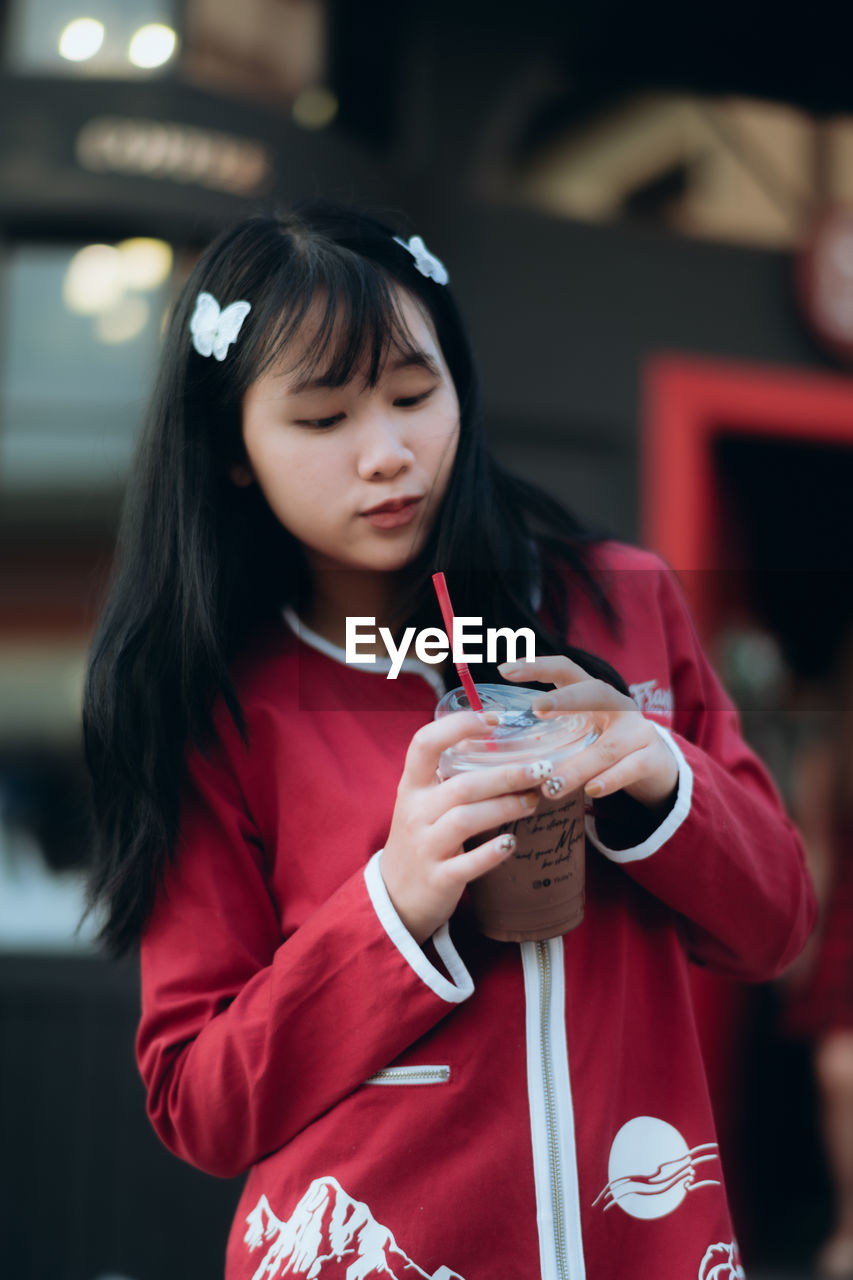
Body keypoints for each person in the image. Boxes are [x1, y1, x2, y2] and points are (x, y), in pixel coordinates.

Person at [83, 202, 815, 1280]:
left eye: (415, 396)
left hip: (645, 1235)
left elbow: (776, 928)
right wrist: (392, 905)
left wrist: (665, 778)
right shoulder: (219, 703)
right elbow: (196, 1099)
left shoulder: (623, 600)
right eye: (323, 419)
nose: (386, 454)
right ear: (232, 450)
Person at [784, 639, 853, 1279]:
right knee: (842, 1072)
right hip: (850, 922)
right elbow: (819, 848)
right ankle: (850, 1225)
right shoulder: (832, 751)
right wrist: (798, 947)